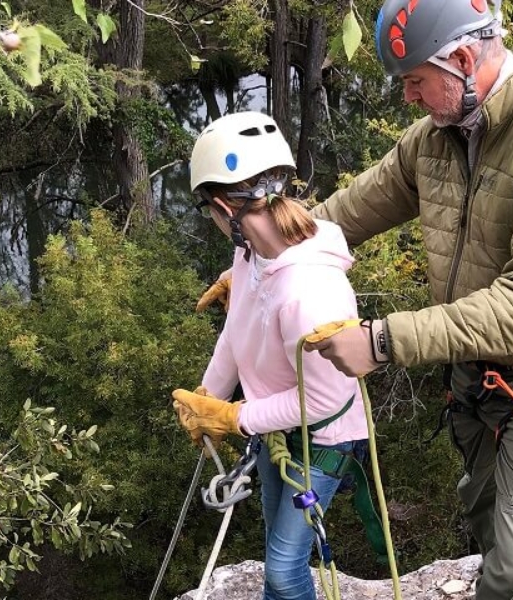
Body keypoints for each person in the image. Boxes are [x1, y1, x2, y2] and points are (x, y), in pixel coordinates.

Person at [300, 0, 513, 598]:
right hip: (478, 386)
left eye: (415, 83)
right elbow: (343, 215)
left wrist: (383, 340)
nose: (409, 99)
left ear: (459, 59)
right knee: (493, 541)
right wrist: (265, 260)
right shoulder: (436, 139)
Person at [171, 111, 370, 600]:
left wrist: (236, 416)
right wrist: (207, 395)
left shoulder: (309, 291)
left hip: (324, 441)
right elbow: (237, 332)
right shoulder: (252, 257)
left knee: (284, 569)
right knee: (274, 553)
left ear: (223, 207)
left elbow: (325, 402)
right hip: (277, 430)